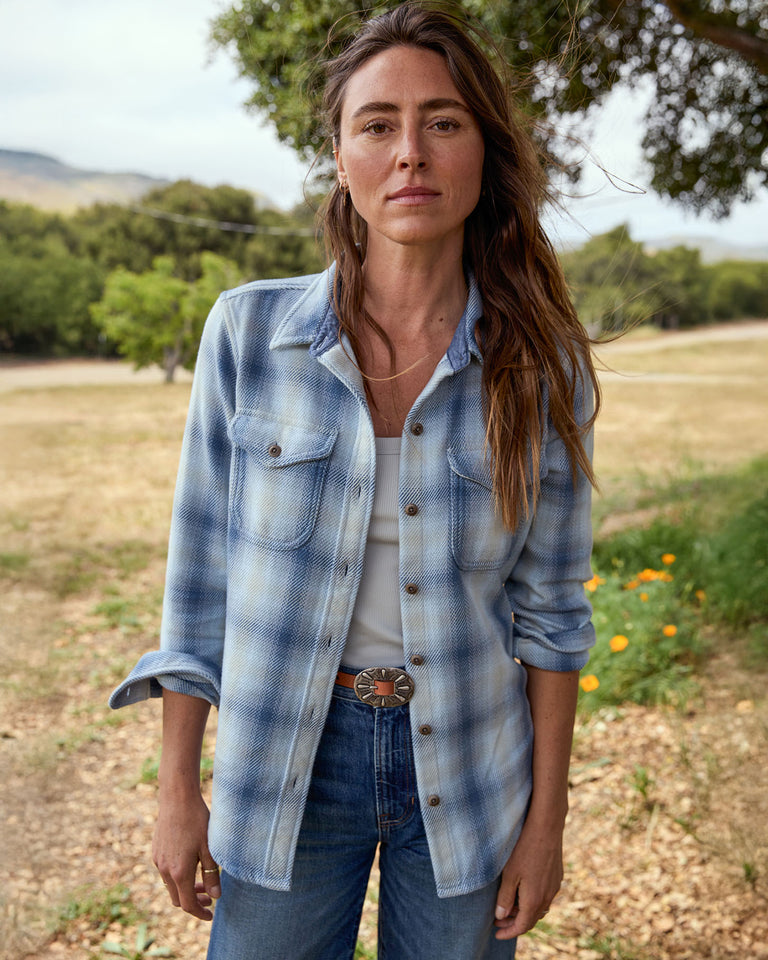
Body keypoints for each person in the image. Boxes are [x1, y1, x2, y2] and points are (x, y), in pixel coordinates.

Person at [109, 3, 600, 958]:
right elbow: (198, 581)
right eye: (378, 124)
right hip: (284, 758)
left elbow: (552, 611)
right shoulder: (249, 336)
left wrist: (548, 821)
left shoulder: (542, 369)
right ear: (341, 157)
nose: (410, 151)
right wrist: (177, 790)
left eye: (443, 121)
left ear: (482, 152)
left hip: (467, 762)